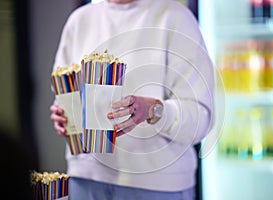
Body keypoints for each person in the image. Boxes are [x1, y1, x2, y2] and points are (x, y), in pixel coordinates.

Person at [50, 0, 215, 199]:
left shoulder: (175, 18)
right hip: (85, 178)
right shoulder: (80, 20)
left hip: (157, 186)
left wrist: (154, 111)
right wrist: (63, 116)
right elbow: (64, 92)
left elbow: (201, 118)